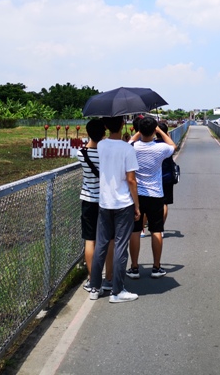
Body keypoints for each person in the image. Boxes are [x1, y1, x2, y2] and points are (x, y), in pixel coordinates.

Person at [89, 116, 141, 303]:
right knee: (120, 245)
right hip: (123, 203)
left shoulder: (101, 145)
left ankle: (95, 287)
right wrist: (137, 206)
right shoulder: (128, 149)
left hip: (104, 202)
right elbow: (131, 180)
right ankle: (117, 291)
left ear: (106, 126)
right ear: (121, 124)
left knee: (101, 245)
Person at [127, 116, 176, 279]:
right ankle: (156, 267)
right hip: (155, 194)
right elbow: (173, 146)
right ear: (154, 130)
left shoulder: (132, 148)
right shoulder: (160, 148)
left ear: (139, 130)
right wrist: (160, 130)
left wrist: (137, 134)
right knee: (156, 230)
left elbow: (128, 143)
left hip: (136, 196)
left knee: (135, 231)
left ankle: (134, 268)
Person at [77, 119, 113, 293]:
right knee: (109, 240)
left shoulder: (80, 153)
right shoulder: (107, 153)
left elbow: (89, 145)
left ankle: (93, 281)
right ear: (104, 132)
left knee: (90, 240)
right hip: (107, 201)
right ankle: (109, 278)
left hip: (88, 200)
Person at [157, 120, 176, 226]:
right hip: (167, 178)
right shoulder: (167, 147)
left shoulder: (152, 145)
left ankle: (142, 229)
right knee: (165, 203)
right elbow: (173, 146)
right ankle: (160, 227)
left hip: (154, 178)